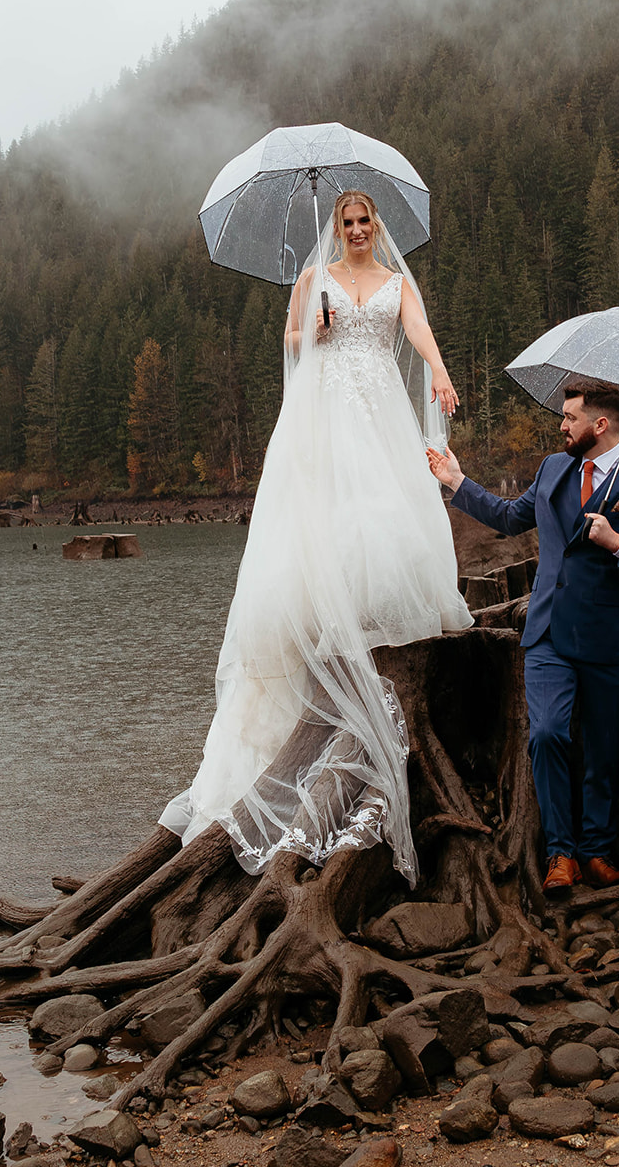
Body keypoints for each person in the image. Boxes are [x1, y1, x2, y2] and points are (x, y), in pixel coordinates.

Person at [159, 191, 471, 883]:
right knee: (329, 506)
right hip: (327, 406)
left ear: (375, 229)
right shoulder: (314, 280)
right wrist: (316, 330)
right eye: (347, 224)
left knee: (385, 505)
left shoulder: (393, 283)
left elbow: (415, 329)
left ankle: (376, 619)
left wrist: (441, 371)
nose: (357, 232)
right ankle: (324, 624)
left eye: (364, 223)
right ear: (337, 230)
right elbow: (289, 341)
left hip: (380, 403)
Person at [427, 379, 619, 892]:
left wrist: (617, 543)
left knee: (604, 750)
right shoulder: (553, 468)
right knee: (547, 736)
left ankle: (596, 852)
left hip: (611, 638)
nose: (562, 426)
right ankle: (560, 854)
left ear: (600, 424)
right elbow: (508, 518)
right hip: (547, 633)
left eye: (570, 418)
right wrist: (457, 483)